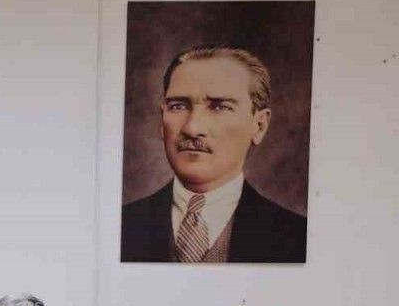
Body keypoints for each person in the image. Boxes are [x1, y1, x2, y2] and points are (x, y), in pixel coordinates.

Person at [121, 45, 307, 263]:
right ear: (162, 121)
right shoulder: (120, 225)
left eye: (219, 107)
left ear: (259, 126)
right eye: (179, 106)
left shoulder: (299, 239)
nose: (192, 128)